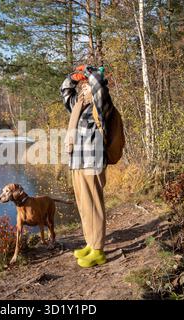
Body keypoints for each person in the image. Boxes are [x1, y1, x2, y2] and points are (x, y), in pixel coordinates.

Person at [60, 64, 112, 268]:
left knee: (94, 205)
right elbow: (65, 90)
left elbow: (99, 87)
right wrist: (74, 76)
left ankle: (98, 250)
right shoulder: (78, 104)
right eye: (81, 87)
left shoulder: (102, 103)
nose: (83, 89)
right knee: (83, 205)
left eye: (86, 86)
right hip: (77, 161)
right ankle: (90, 243)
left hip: (92, 161)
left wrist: (91, 72)